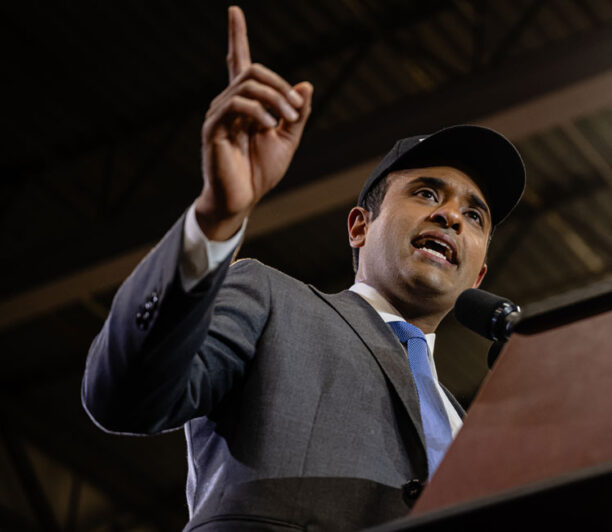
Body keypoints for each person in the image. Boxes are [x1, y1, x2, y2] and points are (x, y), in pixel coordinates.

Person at [81, 6, 525, 530]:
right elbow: (126, 397)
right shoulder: (269, 299)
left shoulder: (470, 429)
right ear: (359, 227)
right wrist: (216, 217)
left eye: (474, 215)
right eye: (426, 192)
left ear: (478, 276)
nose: (451, 215)